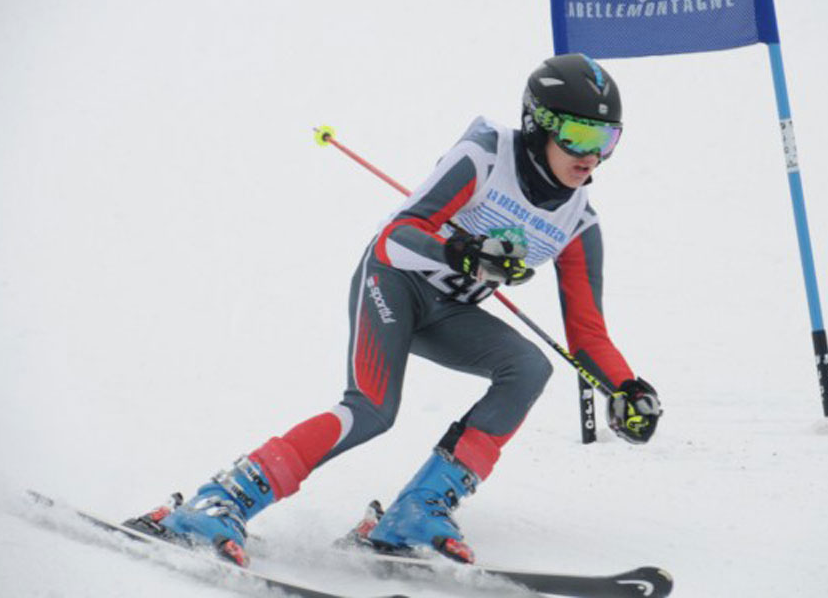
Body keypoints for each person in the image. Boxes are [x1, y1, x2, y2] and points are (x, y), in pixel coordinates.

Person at [126, 53, 662, 567]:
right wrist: (461, 252)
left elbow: (587, 334)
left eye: (606, 139)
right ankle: (217, 501)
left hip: (449, 312)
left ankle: (416, 513)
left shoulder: (578, 222)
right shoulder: (484, 155)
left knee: (529, 367)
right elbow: (396, 237)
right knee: (372, 409)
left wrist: (626, 387)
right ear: (537, 124)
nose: (591, 154)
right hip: (394, 282)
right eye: (578, 135)